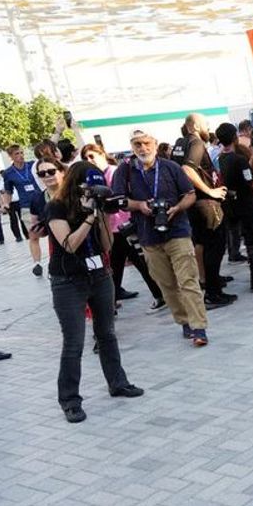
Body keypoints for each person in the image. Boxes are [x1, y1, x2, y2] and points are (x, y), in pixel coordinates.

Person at [45, 160, 143, 423]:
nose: (92, 192)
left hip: (100, 276)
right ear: (77, 185)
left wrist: (102, 217)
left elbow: (107, 246)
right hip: (68, 281)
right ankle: (69, 400)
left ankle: (117, 382)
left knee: (107, 334)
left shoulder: (97, 207)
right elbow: (69, 244)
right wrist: (88, 216)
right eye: (89, 187)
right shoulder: (56, 206)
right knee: (74, 342)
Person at [112, 129, 210, 346]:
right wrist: (139, 205)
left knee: (188, 280)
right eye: (137, 144)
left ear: (155, 143)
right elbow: (118, 200)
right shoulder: (124, 171)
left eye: (146, 143)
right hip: (148, 235)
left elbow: (190, 194)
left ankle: (199, 327)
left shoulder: (170, 167)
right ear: (131, 146)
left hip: (178, 231)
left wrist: (177, 208)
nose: (143, 148)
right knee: (166, 284)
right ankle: (184, 320)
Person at [81, 143, 164, 308]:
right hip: (111, 228)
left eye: (92, 156)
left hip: (124, 224)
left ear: (102, 154)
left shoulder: (114, 172)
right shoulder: (94, 177)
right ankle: (112, 300)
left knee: (136, 263)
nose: (90, 160)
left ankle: (156, 295)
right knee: (116, 265)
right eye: (86, 158)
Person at [172, 114, 235, 306]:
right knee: (214, 247)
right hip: (205, 203)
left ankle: (209, 283)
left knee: (202, 244)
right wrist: (210, 191)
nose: (209, 129)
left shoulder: (180, 143)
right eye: (206, 125)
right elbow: (187, 169)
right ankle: (213, 293)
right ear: (197, 126)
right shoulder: (196, 143)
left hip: (192, 203)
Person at [215, 123, 253, 292]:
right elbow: (251, 184)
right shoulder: (238, 159)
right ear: (235, 137)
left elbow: (240, 174)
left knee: (251, 241)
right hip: (249, 206)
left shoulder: (223, 158)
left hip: (235, 207)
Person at [1, 144, 43, 274]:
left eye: (21, 153)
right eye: (16, 154)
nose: (20, 156)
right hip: (26, 207)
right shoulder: (8, 173)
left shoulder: (32, 165)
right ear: (11, 157)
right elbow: (8, 191)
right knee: (33, 236)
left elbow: (46, 155)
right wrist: (6, 204)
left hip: (42, 202)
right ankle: (37, 264)